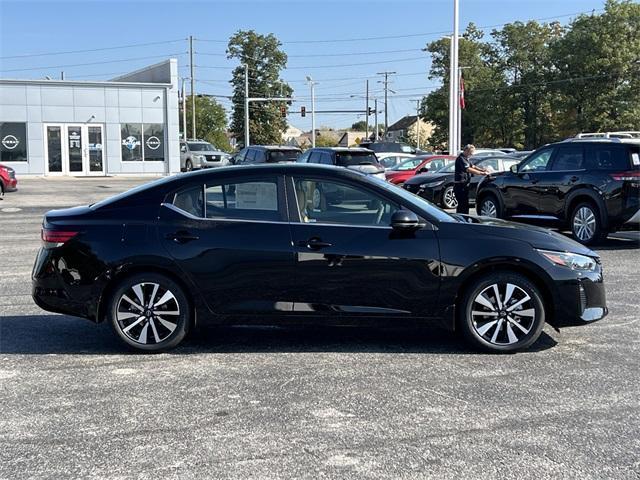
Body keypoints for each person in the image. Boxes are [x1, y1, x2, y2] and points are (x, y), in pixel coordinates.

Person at [453, 144, 488, 214]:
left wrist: (482, 170)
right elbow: (468, 169)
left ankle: (464, 220)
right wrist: (480, 173)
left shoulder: (466, 159)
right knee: (462, 205)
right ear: (466, 151)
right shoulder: (460, 159)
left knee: (465, 204)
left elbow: (473, 166)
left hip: (465, 185)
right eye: (470, 153)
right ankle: (461, 221)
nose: (471, 155)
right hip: (460, 186)